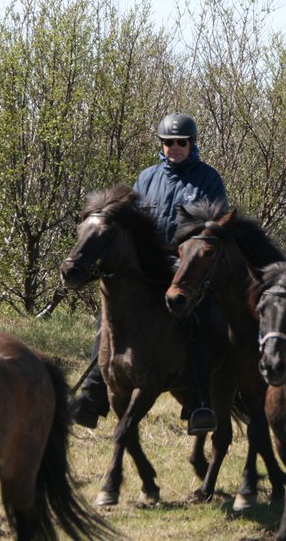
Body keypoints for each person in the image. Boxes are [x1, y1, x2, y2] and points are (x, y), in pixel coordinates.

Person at [71, 113, 230, 433]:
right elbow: (131, 225)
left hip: (186, 270)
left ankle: (199, 402)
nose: (174, 147)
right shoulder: (146, 178)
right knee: (108, 319)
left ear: (191, 144)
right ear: (162, 144)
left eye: (181, 142)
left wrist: (187, 261)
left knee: (204, 320)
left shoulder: (208, 179)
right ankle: (93, 394)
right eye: (168, 142)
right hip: (145, 270)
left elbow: (213, 229)